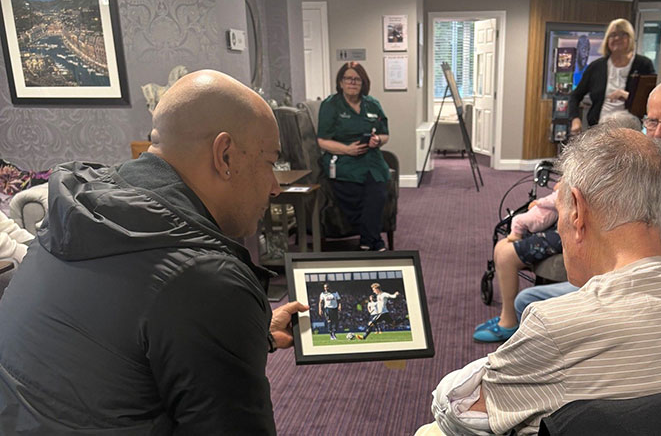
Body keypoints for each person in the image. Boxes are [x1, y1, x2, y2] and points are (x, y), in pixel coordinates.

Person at [0, 70, 309, 434]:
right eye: (270, 162)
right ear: (225, 155)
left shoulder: (79, 211)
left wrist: (256, 334)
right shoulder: (206, 278)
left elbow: (127, 345)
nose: (275, 187)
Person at [417, 126, 661, 436]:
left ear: (576, 211)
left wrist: (481, 367)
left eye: (561, 210)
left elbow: (458, 409)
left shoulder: (555, 323)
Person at [514, 77, 661, 314]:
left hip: (650, 297)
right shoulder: (653, 162)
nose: (658, 134)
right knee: (530, 300)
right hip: (619, 274)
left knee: (530, 304)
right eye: (652, 122)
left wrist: (615, 280)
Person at [473, 111, 644, 343]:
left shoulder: (627, 176)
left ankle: (509, 321)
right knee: (502, 245)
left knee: (505, 254)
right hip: (563, 225)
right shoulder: (600, 167)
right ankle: (508, 315)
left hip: (579, 233)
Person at [317, 61, 391, 251]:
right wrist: (347, 149)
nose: (352, 82)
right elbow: (322, 141)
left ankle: (368, 241)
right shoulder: (331, 105)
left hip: (371, 160)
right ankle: (372, 241)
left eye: (357, 79)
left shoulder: (372, 104)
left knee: (379, 192)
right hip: (343, 160)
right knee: (355, 194)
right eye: (348, 78)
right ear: (340, 82)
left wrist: (377, 140)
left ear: (363, 83)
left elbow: (385, 134)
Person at [568, 18, 655, 135]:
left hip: (630, 129)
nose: (617, 38)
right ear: (607, 40)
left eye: (623, 34)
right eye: (613, 35)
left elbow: (651, 99)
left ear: (630, 38)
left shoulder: (644, 64)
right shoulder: (596, 67)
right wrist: (575, 119)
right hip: (599, 128)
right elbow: (575, 95)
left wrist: (627, 96)